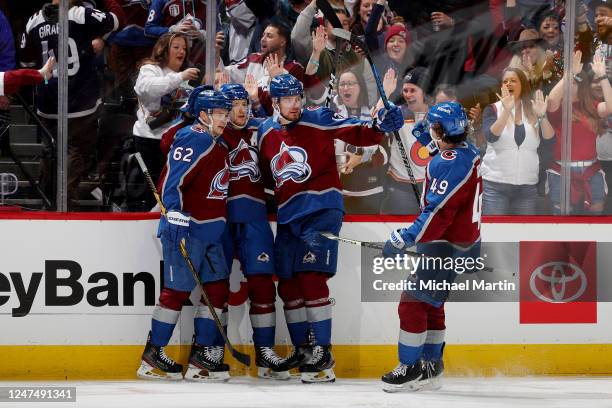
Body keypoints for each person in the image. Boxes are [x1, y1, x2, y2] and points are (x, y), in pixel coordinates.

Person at [256, 73, 403, 383]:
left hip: (322, 209)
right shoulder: (265, 133)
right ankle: (304, 350)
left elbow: (360, 133)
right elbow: (268, 179)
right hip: (287, 217)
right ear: (275, 102)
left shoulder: (318, 118)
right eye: (288, 100)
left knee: (311, 279)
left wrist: (379, 125)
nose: (296, 105)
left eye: (298, 98)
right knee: (289, 285)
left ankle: (323, 353)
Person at [381, 101, 482, 392]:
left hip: (444, 245)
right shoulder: (467, 153)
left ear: (443, 130)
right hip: (460, 243)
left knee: (411, 303)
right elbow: (438, 152)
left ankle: (409, 368)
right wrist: (423, 136)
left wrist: (405, 237)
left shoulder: (448, 163)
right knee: (431, 303)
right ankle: (431, 366)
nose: (428, 131)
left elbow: (437, 214)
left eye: (433, 127)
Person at [137, 87, 233, 382]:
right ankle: (152, 357)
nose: (225, 119)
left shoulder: (218, 143)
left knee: (217, 289)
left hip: (212, 230)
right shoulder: (196, 137)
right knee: (177, 291)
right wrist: (175, 213)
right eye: (220, 113)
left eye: (226, 113)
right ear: (203, 115)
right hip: (187, 230)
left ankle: (202, 357)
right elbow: (172, 181)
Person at [219, 83, 299, 379]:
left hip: (254, 215)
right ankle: (210, 355)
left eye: (244, 104)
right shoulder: (211, 133)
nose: (240, 111)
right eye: (233, 106)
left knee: (264, 285)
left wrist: (264, 95)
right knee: (215, 287)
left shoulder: (261, 129)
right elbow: (167, 142)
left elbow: (291, 119)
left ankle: (265, 355)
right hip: (221, 218)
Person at [19, 0, 120, 210]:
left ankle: (47, 201)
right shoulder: (80, 14)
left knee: (50, 150)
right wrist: (101, 37)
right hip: (80, 98)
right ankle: (66, 203)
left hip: (48, 98)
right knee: (78, 150)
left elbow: (26, 62)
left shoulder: (34, 20)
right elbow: (116, 20)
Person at [130, 32, 200, 210]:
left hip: (176, 141)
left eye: (184, 48)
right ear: (163, 49)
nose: (181, 51)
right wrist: (179, 77)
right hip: (149, 140)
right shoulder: (150, 69)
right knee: (151, 190)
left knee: (171, 187)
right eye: (176, 47)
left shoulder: (187, 75)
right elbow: (148, 89)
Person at [481, 67, 555, 215]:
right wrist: (506, 111)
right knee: (496, 235)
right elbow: (491, 136)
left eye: (513, 81)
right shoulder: (493, 109)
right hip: (495, 185)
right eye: (505, 81)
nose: (508, 84)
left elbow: (550, 140)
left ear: (522, 85)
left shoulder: (534, 109)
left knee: (523, 234)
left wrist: (542, 116)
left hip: (526, 187)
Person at [333, 69, 388, 214]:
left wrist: (362, 158)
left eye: (350, 84)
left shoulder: (373, 114)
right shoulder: (330, 115)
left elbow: (384, 154)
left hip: (370, 193)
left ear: (361, 87)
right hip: (336, 192)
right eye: (342, 84)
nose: (345, 88)